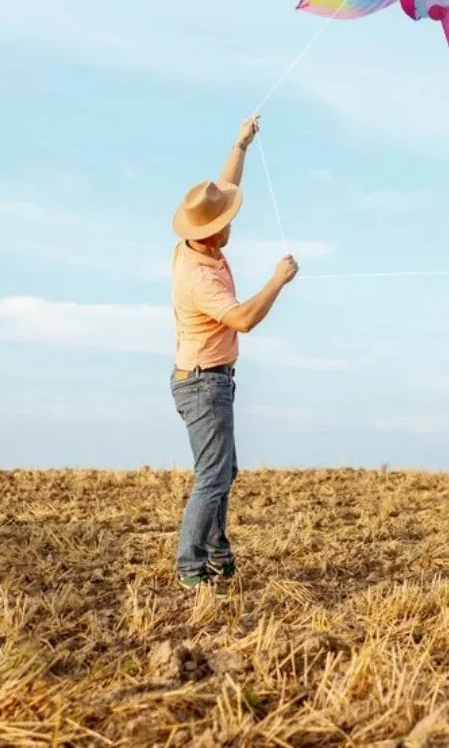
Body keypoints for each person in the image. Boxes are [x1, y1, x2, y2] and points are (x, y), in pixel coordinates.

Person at [170, 115, 298, 592]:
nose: (231, 225)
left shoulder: (194, 243)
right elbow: (243, 319)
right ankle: (190, 566)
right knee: (212, 476)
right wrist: (277, 281)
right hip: (203, 383)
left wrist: (240, 144)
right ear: (211, 232)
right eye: (225, 222)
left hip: (209, 379)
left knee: (224, 471)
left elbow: (226, 188)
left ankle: (219, 555)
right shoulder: (198, 277)